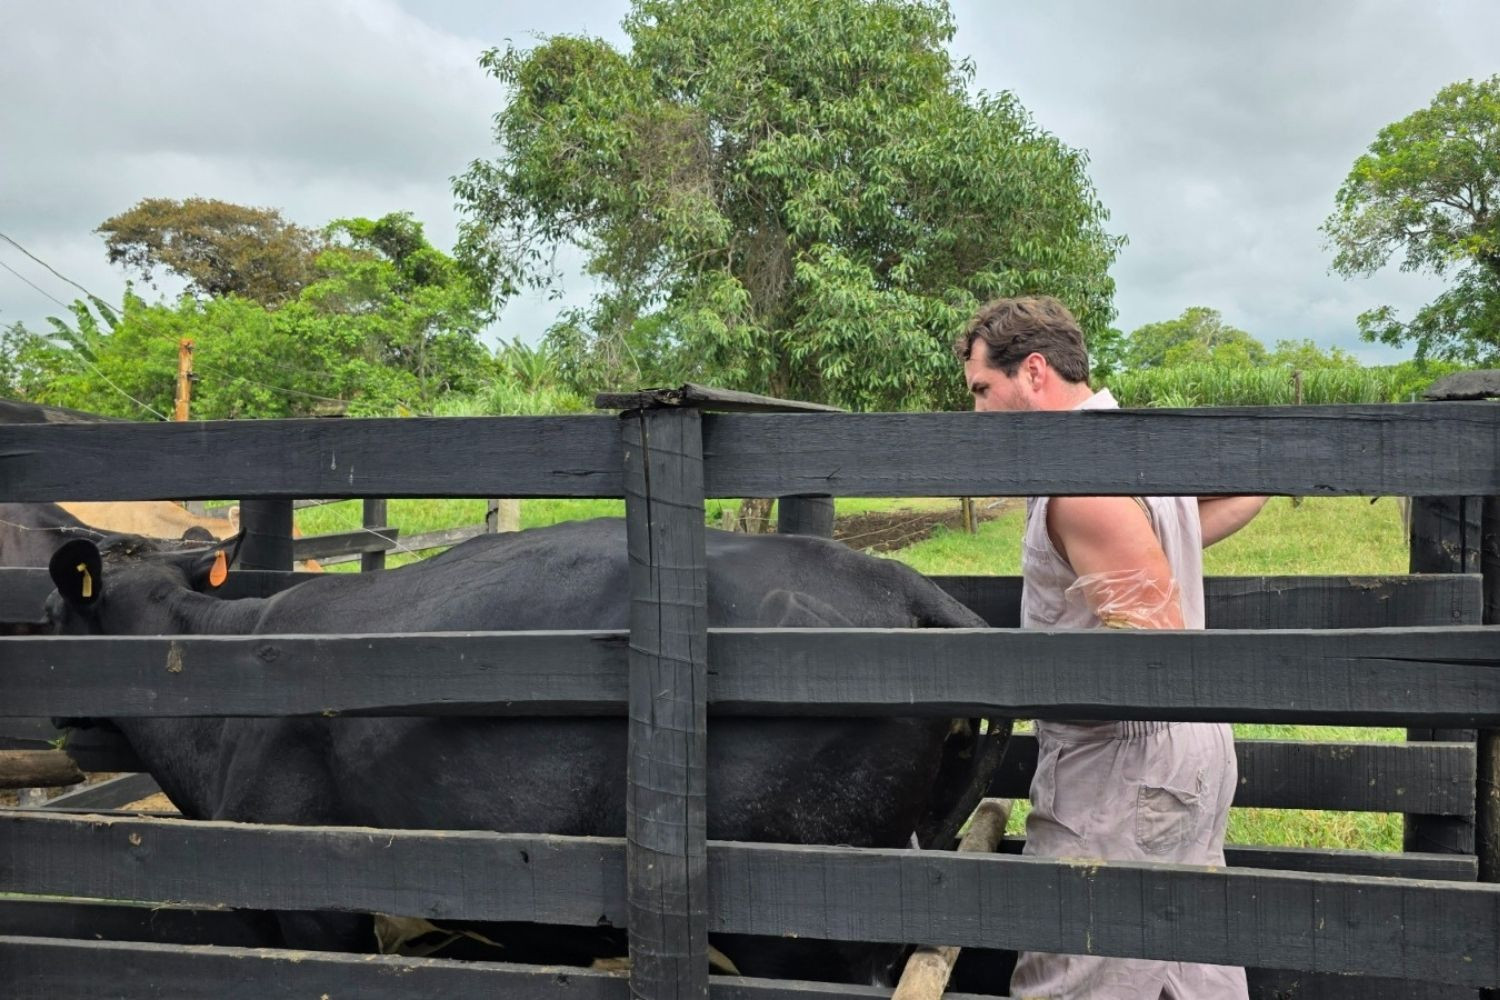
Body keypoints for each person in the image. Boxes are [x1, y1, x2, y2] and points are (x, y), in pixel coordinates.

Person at [955, 296, 1266, 1000]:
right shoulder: (1132, 449)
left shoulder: (1083, 485)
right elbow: (1248, 489)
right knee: (1188, 972)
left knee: (1076, 973)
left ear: (1034, 372)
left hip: (1124, 768)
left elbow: (1155, 650)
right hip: (1178, 758)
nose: (977, 412)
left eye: (982, 389)